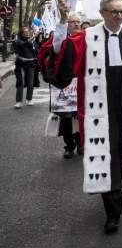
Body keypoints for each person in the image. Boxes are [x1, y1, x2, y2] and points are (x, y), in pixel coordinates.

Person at [46, 0, 122, 233]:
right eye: (114, 12)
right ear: (102, 12)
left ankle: (114, 190)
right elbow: (60, 50)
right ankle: (113, 211)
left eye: (121, 12)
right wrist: (63, 21)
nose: (119, 16)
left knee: (118, 151)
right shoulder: (86, 37)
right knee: (107, 151)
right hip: (98, 107)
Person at [38, 13, 83, 158]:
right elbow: (52, 52)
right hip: (65, 85)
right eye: (72, 21)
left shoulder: (85, 39)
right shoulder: (58, 39)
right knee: (66, 118)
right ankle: (69, 145)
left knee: (81, 115)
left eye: (78, 22)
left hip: (81, 83)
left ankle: (81, 144)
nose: (76, 24)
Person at [14, 26, 41, 108]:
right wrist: (34, 36)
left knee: (30, 82)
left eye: (27, 31)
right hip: (21, 64)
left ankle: (29, 99)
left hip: (31, 63)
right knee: (20, 82)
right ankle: (19, 101)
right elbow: (25, 44)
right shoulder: (19, 41)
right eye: (25, 32)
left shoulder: (32, 42)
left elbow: (37, 51)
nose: (27, 33)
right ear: (21, 34)